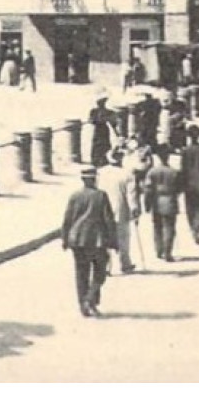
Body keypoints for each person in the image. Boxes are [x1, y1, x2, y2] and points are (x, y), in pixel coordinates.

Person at [61, 166, 117, 316]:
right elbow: (109, 219)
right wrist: (114, 241)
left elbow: (67, 219)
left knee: (81, 273)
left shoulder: (75, 196)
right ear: (94, 179)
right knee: (100, 271)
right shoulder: (101, 196)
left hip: (77, 239)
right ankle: (90, 299)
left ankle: (83, 304)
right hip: (96, 240)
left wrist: (65, 239)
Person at [97, 148, 138, 273]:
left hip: (103, 210)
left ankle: (105, 267)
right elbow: (132, 195)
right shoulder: (127, 174)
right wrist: (135, 210)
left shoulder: (100, 172)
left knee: (105, 238)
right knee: (123, 238)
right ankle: (125, 263)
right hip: (121, 210)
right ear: (120, 158)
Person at [144, 147, 183, 262]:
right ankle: (167, 252)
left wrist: (147, 204)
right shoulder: (174, 172)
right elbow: (180, 188)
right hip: (170, 200)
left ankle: (159, 250)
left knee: (157, 227)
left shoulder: (152, 172)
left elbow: (148, 189)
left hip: (156, 201)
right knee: (169, 227)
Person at [179, 126, 199, 244]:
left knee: (189, 208)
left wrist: (180, 184)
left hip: (188, 183)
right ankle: (197, 229)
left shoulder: (185, 151)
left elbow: (182, 169)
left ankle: (192, 227)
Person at [89, 96, 114, 168]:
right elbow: (91, 121)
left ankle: (103, 160)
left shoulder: (109, 112)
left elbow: (113, 122)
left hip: (103, 130)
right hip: (98, 130)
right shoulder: (94, 111)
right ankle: (96, 161)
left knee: (104, 144)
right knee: (97, 145)